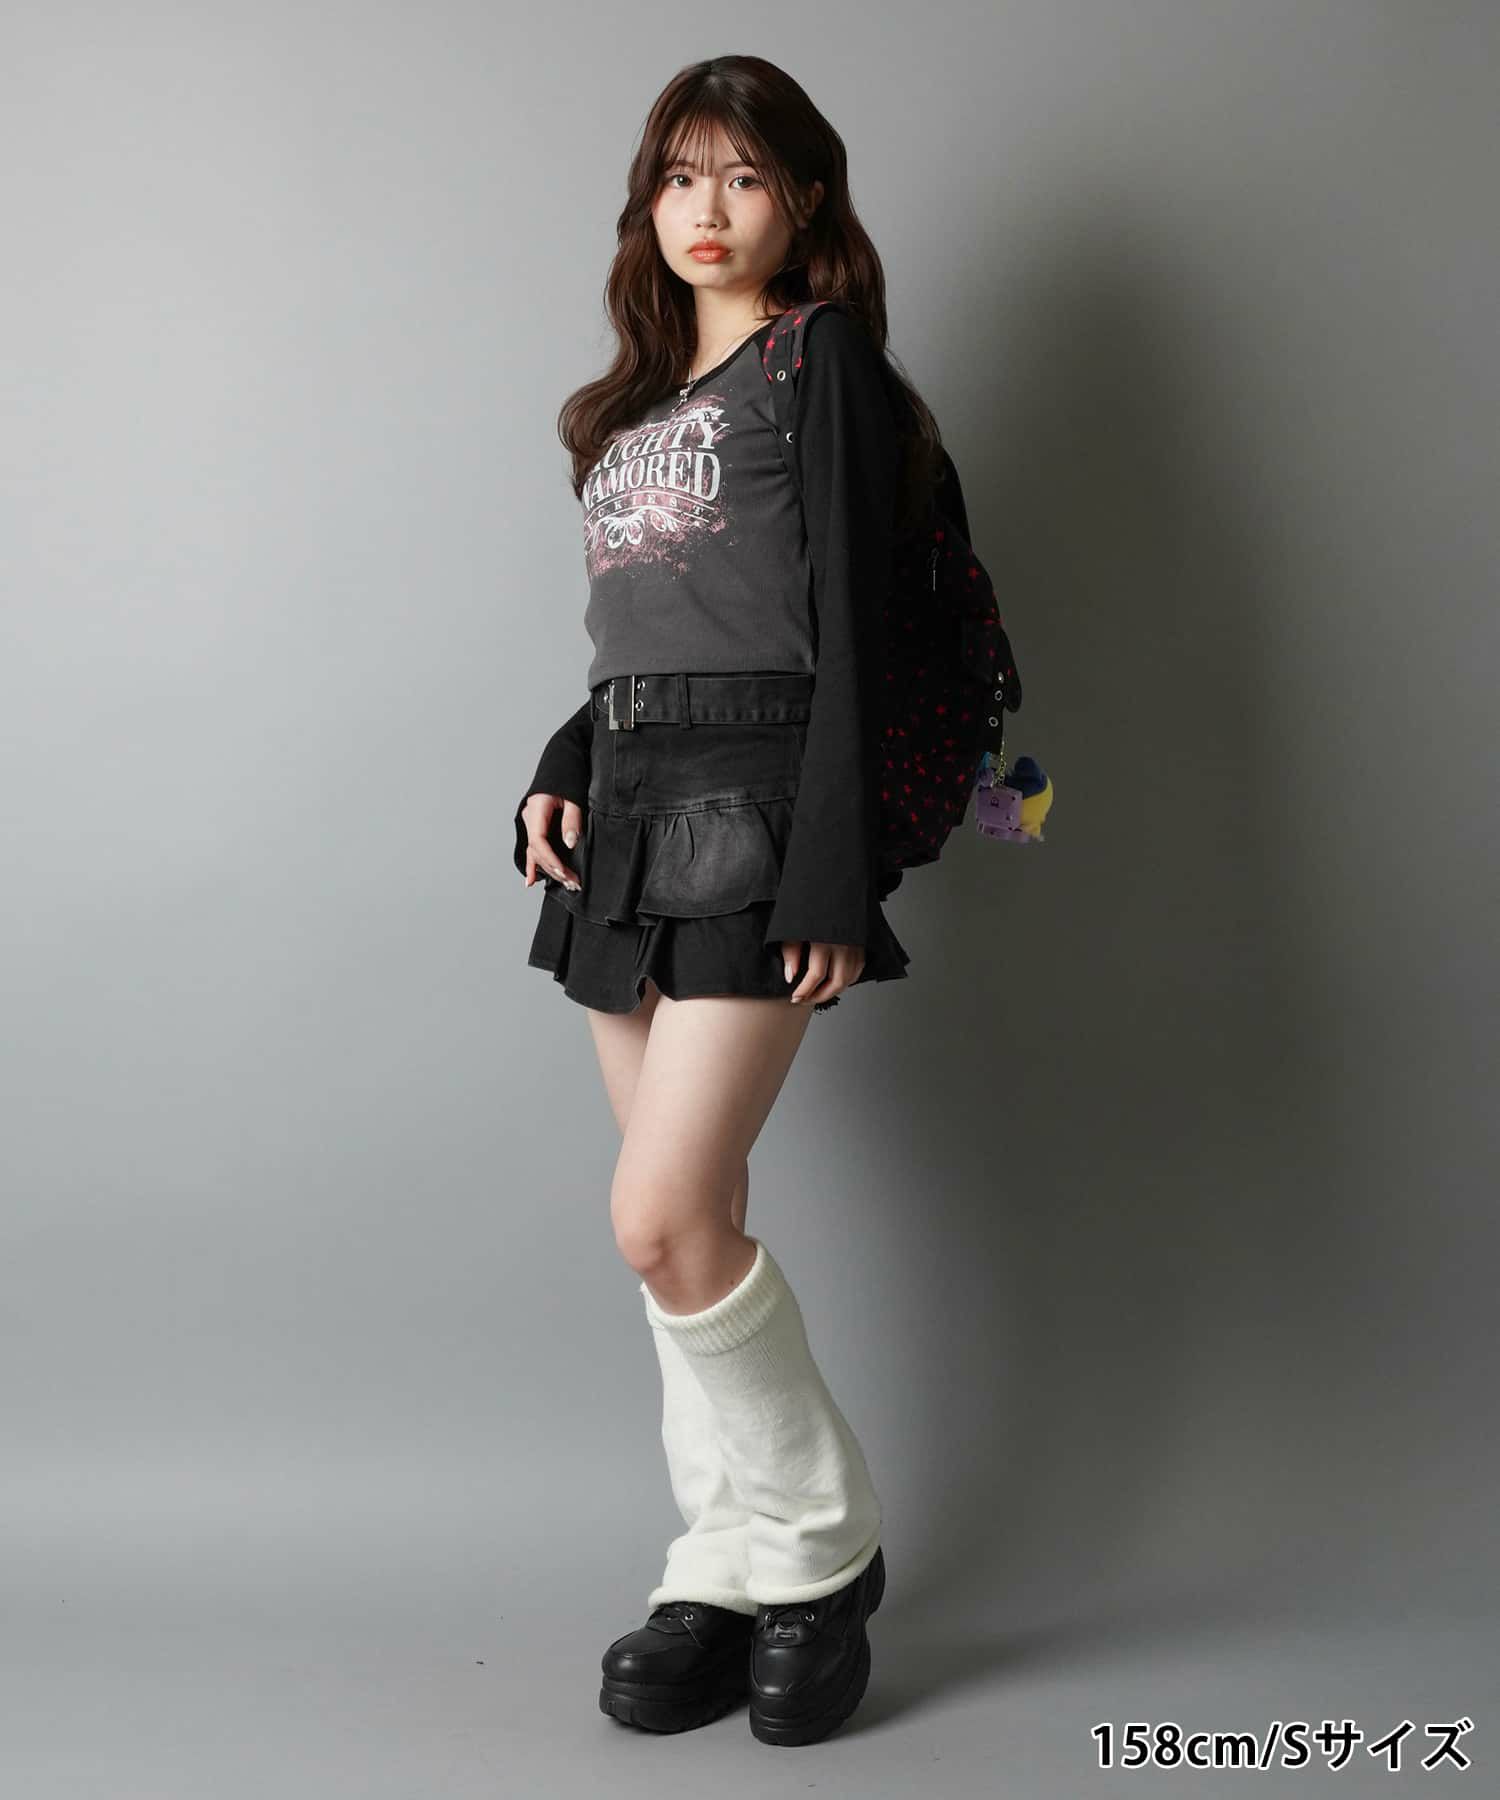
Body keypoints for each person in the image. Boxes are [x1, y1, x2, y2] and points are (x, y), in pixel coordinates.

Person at [512, 55, 945, 1747]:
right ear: (650, 202)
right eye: (682, 176)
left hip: (761, 814)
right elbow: (643, 630)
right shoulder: (629, 412)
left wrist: (835, 864)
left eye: (745, 177)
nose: (709, 209)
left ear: (803, 200)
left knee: (661, 1212)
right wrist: (560, 759)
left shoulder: (815, 362)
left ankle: (822, 1548)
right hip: (624, 810)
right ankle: (723, 1558)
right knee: (683, 1224)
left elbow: (855, 627)